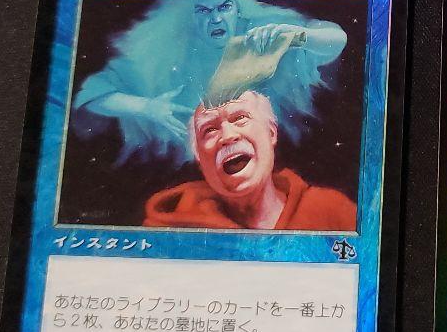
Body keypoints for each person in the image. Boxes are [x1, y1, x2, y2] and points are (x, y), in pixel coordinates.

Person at [72, 0, 346, 164]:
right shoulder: (164, 51)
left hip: (266, 160)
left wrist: (299, 36)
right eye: (203, 10)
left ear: (237, 9)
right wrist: (147, 107)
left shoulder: (263, 34)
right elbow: (91, 94)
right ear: (189, 16)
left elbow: (337, 40)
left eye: (224, 7)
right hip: (186, 170)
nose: (215, 19)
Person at [144, 91, 356, 230]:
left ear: (271, 133)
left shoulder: (331, 211)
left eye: (240, 118)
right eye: (210, 130)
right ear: (199, 157)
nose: (228, 136)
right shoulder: (169, 228)